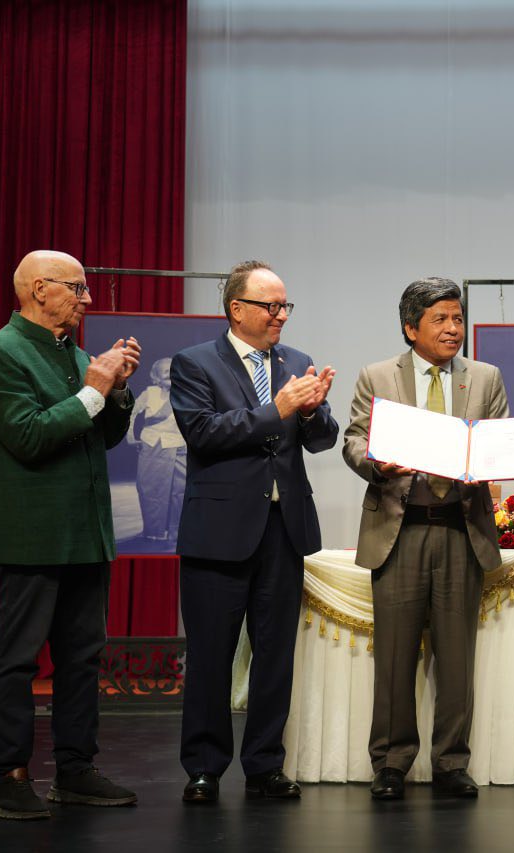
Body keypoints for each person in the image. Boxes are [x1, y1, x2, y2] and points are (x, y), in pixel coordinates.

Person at [0, 250, 141, 820]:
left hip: (86, 534)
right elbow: (29, 437)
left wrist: (117, 391)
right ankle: (7, 777)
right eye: (77, 288)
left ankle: (75, 769)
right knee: (17, 660)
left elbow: (103, 437)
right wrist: (93, 390)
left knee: (82, 659)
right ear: (39, 288)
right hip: (32, 536)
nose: (86, 299)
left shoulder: (77, 354)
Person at [170, 259, 338, 804]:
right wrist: (278, 408)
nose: (280, 315)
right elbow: (203, 433)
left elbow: (322, 439)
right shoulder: (196, 363)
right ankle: (204, 768)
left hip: (282, 531)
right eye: (270, 305)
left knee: (274, 656)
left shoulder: (297, 362)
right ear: (236, 308)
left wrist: (310, 413)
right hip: (219, 532)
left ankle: (265, 764)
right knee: (211, 656)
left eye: (285, 305)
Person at [343, 277, 509, 801]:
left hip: (461, 528)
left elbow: (499, 440)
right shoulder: (376, 376)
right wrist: (376, 463)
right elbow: (353, 440)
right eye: (440, 319)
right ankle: (391, 763)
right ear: (410, 327)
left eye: (458, 318)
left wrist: (498, 456)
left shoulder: (485, 377)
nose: (453, 328)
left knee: (457, 659)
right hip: (401, 528)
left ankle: (452, 763)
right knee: (395, 657)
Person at [125, 356, 185, 543]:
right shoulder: (149, 393)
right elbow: (131, 412)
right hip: (153, 447)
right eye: (165, 371)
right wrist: (130, 436)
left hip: (180, 446)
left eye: (173, 370)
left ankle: (176, 532)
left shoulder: (187, 393)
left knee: (180, 492)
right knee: (151, 490)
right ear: (156, 377)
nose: (170, 375)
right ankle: (154, 531)